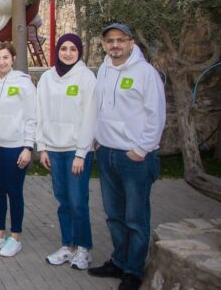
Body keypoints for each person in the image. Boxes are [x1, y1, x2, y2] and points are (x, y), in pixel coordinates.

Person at [87, 23, 165, 290]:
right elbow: (100, 108)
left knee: (135, 217)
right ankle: (119, 262)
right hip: (107, 152)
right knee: (114, 214)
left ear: (131, 42)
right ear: (104, 44)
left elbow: (156, 115)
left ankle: (133, 270)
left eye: (121, 40)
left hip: (134, 158)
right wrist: (97, 136)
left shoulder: (146, 73)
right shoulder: (104, 70)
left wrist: (141, 150)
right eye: (110, 40)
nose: (115, 45)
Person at [37, 34, 97, 270]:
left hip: (76, 151)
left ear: (79, 51)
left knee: (77, 201)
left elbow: (90, 116)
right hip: (53, 149)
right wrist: (42, 147)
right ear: (57, 51)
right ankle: (68, 245)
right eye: (64, 48)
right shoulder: (47, 78)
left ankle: (83, 248)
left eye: (73, 49)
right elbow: (40, 112)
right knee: (63, 201)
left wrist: (82, 153)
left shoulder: (86, 77)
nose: (68, 53)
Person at [0, 42, 37, 258]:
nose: (1, 62)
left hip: (15, 147)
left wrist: (28, 147)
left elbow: (31, 117)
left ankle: (16, 237)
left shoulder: (24, 84)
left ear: (13, 59)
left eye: (5, 57)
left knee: (14, 191)